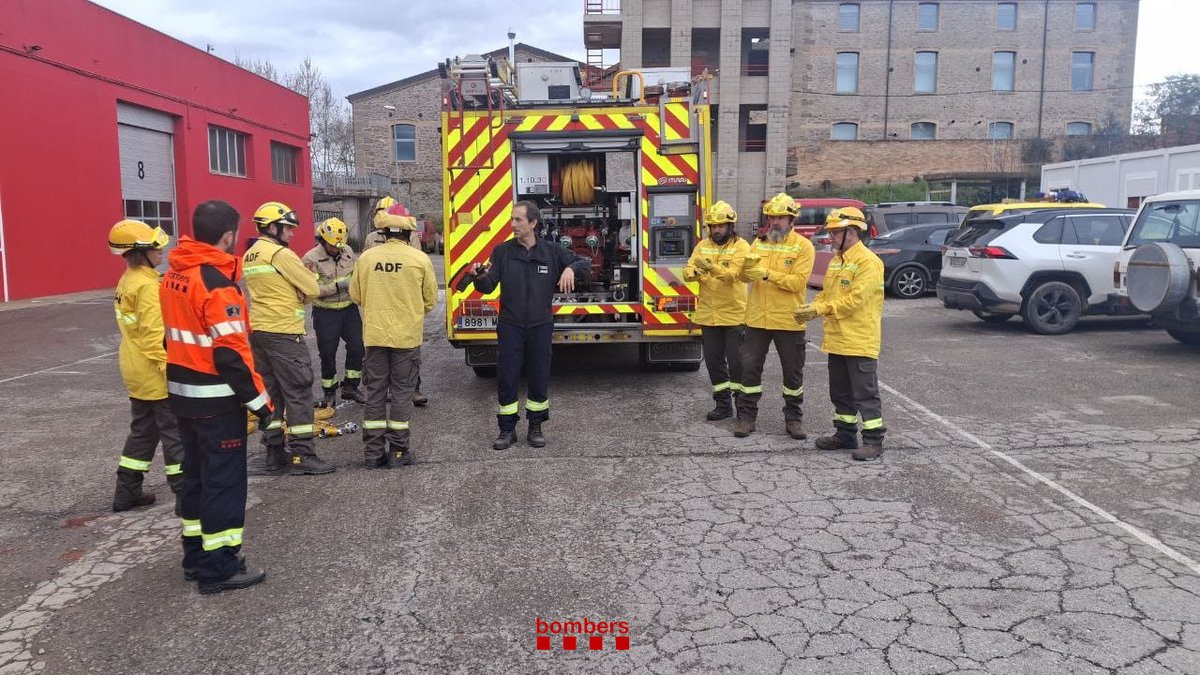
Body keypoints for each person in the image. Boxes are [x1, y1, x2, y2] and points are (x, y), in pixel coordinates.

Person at [159, 200, 271, 594]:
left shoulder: (173, 276)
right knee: (224, 483)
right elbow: (230, 354)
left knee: (196, 478)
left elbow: (169, 337)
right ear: (228, 235)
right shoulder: (216, 284)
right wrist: (261, 404)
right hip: (216, 402)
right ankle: (220, 567)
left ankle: (195, 558)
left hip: (182, 396)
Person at [470, 200, 590, 451]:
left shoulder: (552, 252)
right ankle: (506, 430)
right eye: (512, 219)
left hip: (540, 326)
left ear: (533, 223)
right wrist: (479, 276)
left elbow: (584, 264)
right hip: (510, 325)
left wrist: (570, 268)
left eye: (518, 220)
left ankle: (535, 427)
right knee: (507, 377)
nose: (513, 224)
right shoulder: (502, 252)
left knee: (538, 376)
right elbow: (488, 285)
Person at [243, 201, 334, 475]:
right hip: (283, 332)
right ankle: (302, 453)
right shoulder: (280, 254)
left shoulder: (251, 254)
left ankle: (274, 452)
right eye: (287, 229)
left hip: (259, 331)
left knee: (273, 395)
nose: (291, 234)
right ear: (272, 227)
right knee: (298, 392)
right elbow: (312, 288)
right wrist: (302, 291)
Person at [793, 206, 886, 461]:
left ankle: (873, 441)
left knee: (865, 393)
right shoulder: (837, 260)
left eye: (835, 233)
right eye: (832, 233)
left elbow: (854, 301)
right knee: (840, 392)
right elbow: (827, 293)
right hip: (837, 339)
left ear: (852, 232)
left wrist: (820, 309)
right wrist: (813, 305)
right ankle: (845, 434)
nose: (831, 238)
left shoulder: (868, 263)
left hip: (859, 339)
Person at [349, 203, 437, 469]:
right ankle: (399, 452)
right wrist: (409, 310)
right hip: (406, 338)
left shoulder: (366, 258)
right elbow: (430, 300)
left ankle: (373, 454)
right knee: (401, 393)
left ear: (383, 231)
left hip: (375, 336)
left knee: (375, 393)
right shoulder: (419, 259)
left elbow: (356, 295)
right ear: (410, 234)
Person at [107, 219, 184, 513]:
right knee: (174, 434)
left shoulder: (129, 279)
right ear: (141, 251)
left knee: (143, 432)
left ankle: (126, 493)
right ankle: (185, 495)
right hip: (154, 372)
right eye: (156, 246)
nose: (161, 250)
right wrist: (171, 373)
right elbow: (155, 337)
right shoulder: (147, 286)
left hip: (135, 369)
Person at [734, 193, 815, 440]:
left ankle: (793, 419)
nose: (776, 222)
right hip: (757, 319)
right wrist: (747, 270)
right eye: (772, 217)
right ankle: (746, 418)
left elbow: (798, 282)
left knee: (793, 373)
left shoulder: (804, 246)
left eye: (781, 217)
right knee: (749, 370)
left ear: (792, 220)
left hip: (788, 320)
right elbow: (743, 278)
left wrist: (766, 274)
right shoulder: (759, 243)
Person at [683, 201, 750, 421]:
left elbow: (733, 276)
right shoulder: (702, 245)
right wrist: (693, 273)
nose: (716, 230)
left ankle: (742, 407)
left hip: (733, 316)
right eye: (712, 226)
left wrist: (709, 268)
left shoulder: (741, 247)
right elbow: (689, 268)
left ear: (730, 225)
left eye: (720, 226)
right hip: (708, 316)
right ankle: (723, 405)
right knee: (713, 363)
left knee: (737, 364)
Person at [365, 195, 428, 407]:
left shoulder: (412, 244)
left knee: (403, 376)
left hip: (389, 321)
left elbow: (358, 292)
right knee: (399, 369)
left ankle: (414, 389)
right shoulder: (370, 241)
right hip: (392, 323)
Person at [301, 217, 366, 408]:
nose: (337, 249)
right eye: (332, 246)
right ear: (322, 240)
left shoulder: (347, 251)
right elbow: (310, 289)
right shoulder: (310, 259)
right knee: (327, 354)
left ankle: (351, 387)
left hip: (349, 309)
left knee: (358, 347)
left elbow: (355, 275)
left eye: (340, 245)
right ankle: (329, 392)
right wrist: (337, 286)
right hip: (326, 313)